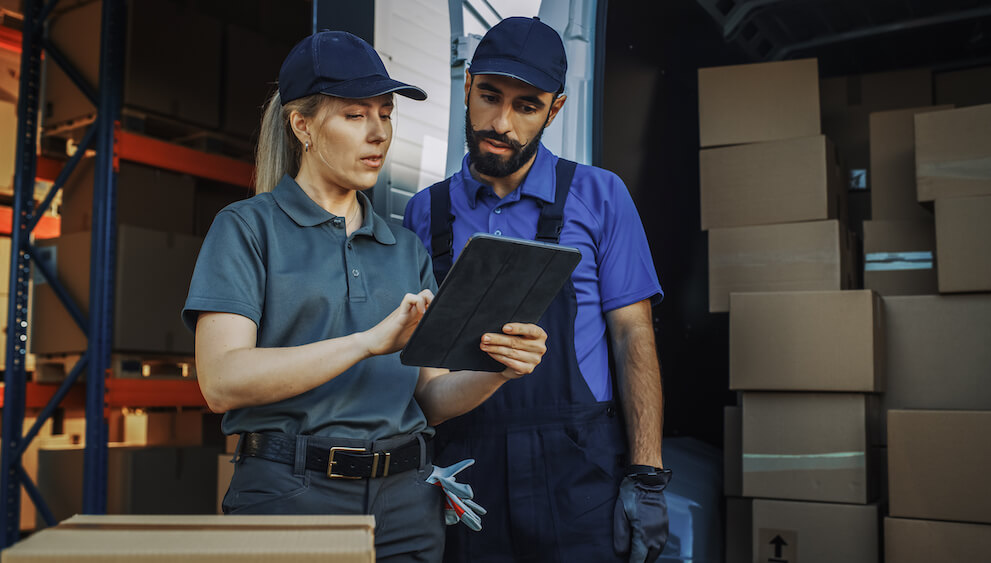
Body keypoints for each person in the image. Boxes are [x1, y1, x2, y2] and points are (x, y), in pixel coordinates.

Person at [182, 31, 547, 563]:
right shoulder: (246, 228)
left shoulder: (405, 248)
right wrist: (366, 343)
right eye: (355, 116)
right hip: (291, 495)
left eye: (386, 113)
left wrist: (500, 369)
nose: (379, 134)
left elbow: (429, 400)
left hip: (407, 503)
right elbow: (221, 382)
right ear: (301, 125)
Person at [403, 16, 670, 563]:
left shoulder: (600, 196)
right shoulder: (423, 213)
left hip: (579, 471)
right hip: (466, 473)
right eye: (489, 96)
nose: (500, 122)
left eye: (526, 106)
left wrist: (646, 474)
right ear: (468, 85)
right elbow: (417, 372)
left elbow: (632, 337)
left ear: (556, 109)